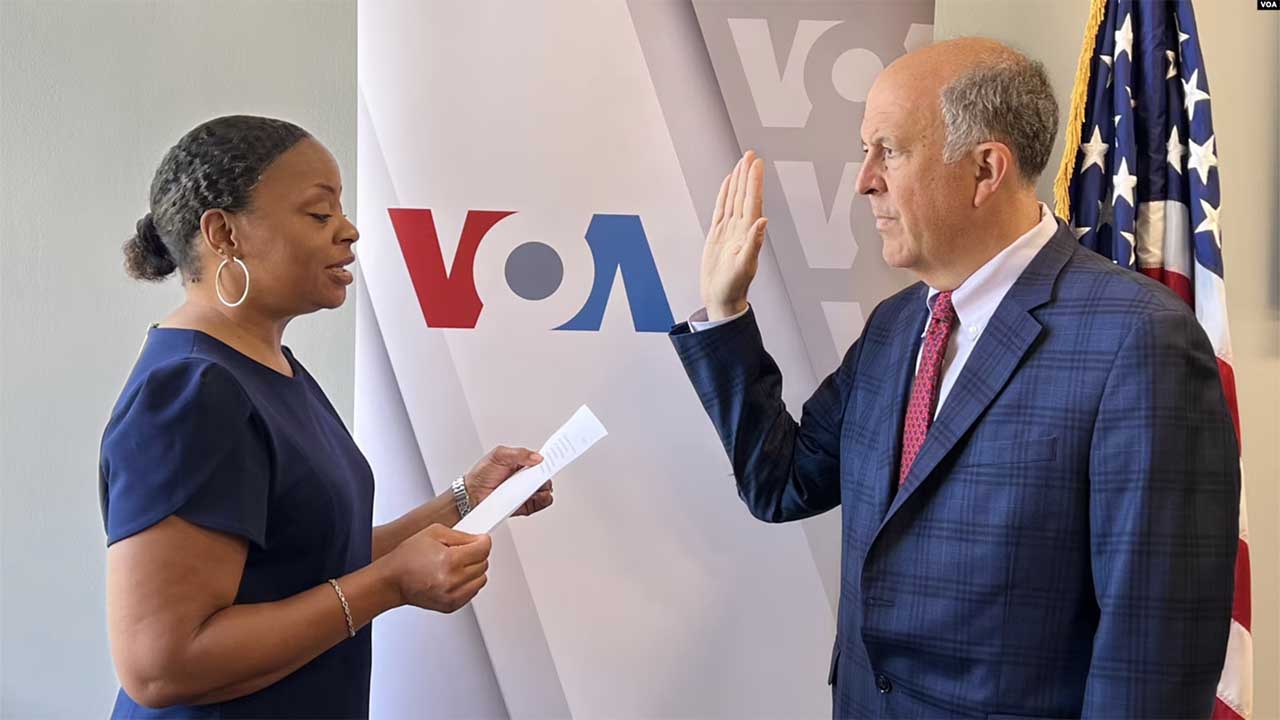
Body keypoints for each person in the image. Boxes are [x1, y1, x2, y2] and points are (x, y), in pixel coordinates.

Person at [671, 38, 1239, 718]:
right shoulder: (893, 327)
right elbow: (782, 482)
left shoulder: (1139, 340)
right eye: (865, 151)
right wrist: (727, 312)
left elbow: (1152, 655)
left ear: (985, 169)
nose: (864, 181)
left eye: (889, 150)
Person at [100, 115, 553, 719]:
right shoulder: (192, 390)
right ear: (224, 233)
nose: (349, 230)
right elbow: (161, 665)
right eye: (319, 214)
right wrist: (389, 585)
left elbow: (309, 562)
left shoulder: (267, 367)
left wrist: (464, 500)